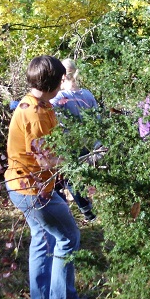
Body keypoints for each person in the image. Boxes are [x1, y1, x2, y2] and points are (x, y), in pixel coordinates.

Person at [5, 55, 93, 299]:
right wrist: (82, 160)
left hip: (22, 186)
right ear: (55, 82)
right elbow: (47, 159)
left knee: (43, 239)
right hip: (34, 189)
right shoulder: (35, 112)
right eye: (62, 78)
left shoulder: (35, 104)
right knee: (68, 238)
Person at [50, 61, 98, 223]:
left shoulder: (61, 97)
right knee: (79, 177)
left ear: (61, 77)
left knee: (70, 179)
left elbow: (44, 111)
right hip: (88, 144)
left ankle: (86, 211)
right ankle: (87, 210)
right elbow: (97, 119)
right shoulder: (88, 94)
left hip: (70, 146)